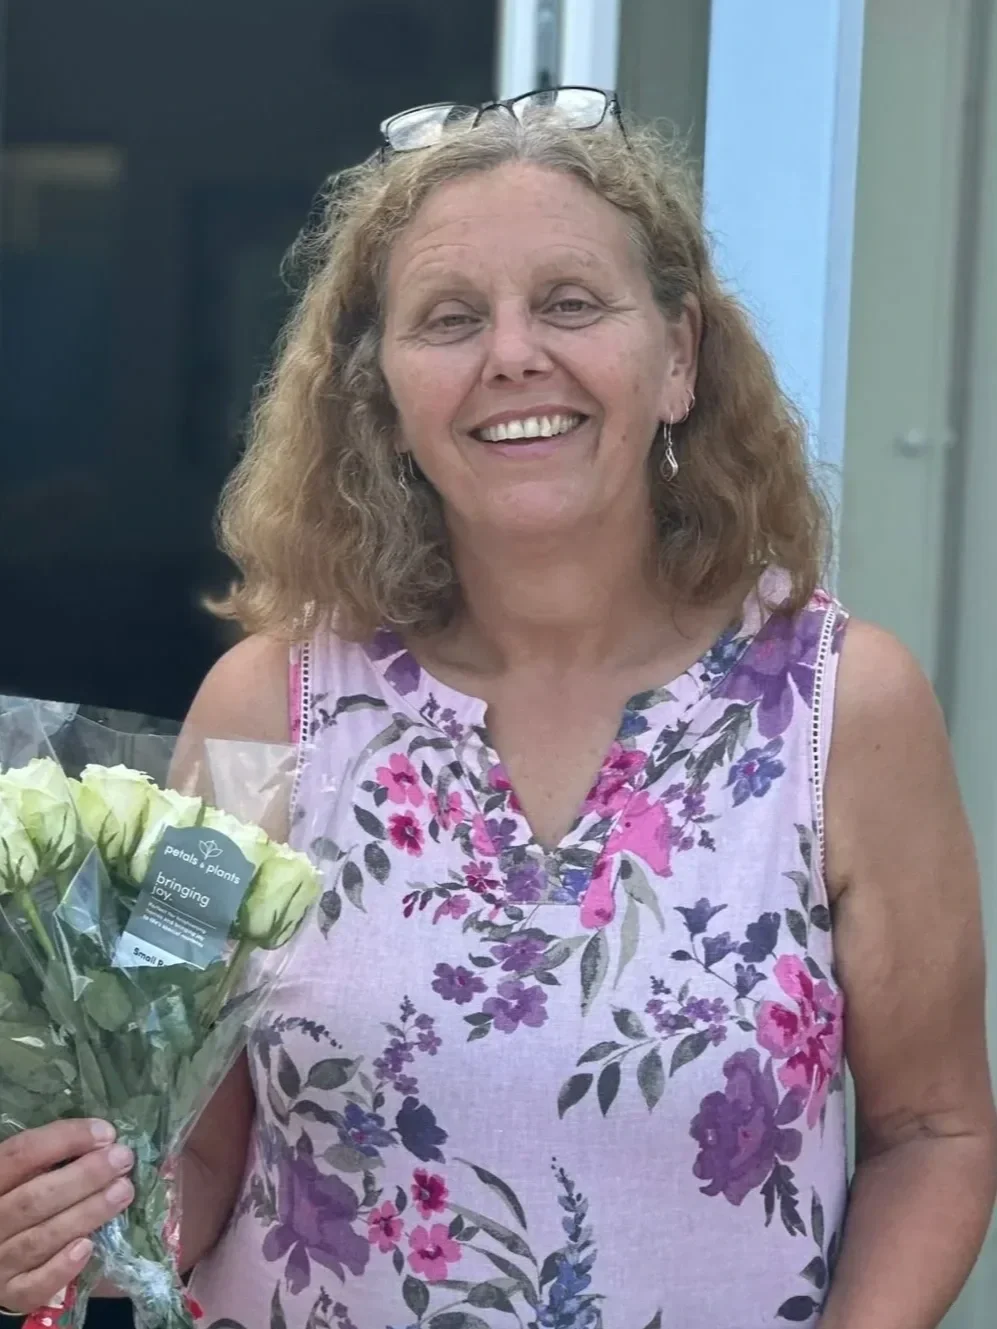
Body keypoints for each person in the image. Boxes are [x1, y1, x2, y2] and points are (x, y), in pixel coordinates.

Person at [1, 89, 994, 1329]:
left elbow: (934, 1131)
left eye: (571, 303)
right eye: (450, 319)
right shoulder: (263, 709)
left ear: (678, 356)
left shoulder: (841, 708)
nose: (513, 355)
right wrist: (73, 1206)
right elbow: (191, 1145)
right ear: (385, 393)